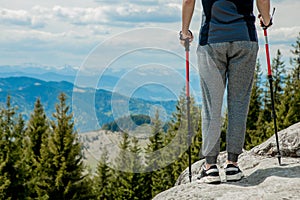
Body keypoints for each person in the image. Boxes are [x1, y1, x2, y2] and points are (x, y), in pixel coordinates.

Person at [180, 0, 272, 184]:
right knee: (239, 102)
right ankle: (232, 164)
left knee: (212, 105)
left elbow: (189, 0)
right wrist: (267, 19)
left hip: (212, 41)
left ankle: (210, 167)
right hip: (245, 39)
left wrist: (184, 32)